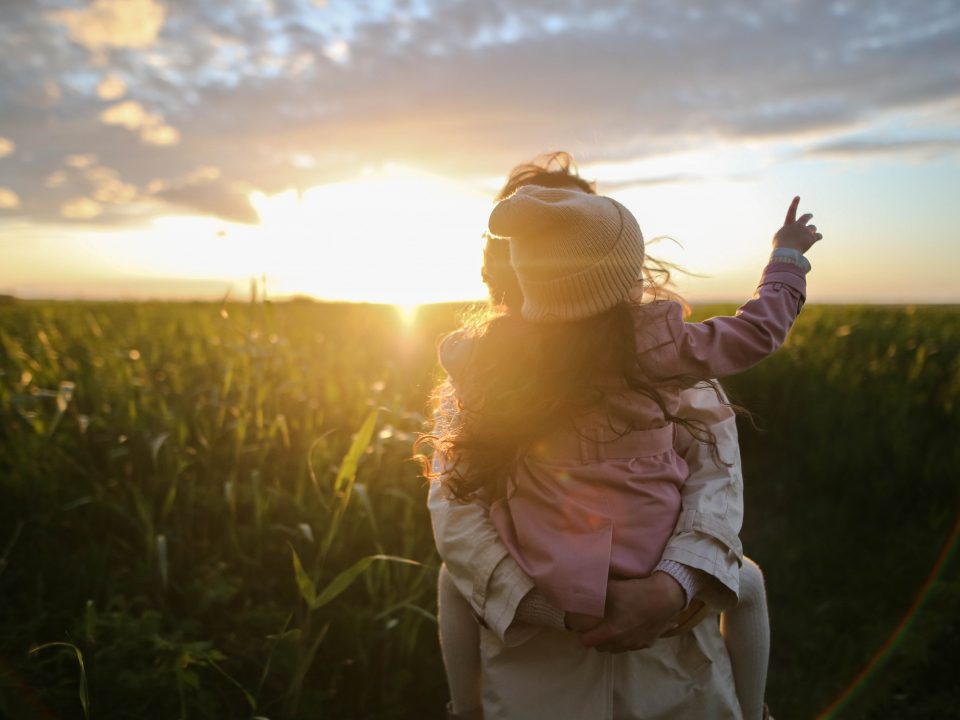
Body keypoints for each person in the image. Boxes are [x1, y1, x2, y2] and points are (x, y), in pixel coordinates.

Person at [425, 154, 818, 719]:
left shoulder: (490, 362)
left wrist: (670, 587)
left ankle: (462, 711)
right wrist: (786, 261)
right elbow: (456, 511)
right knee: (747, 580)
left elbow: (715, 478)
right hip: (541, 658)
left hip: (667, 657)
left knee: (451, 584)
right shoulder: (663, 350)